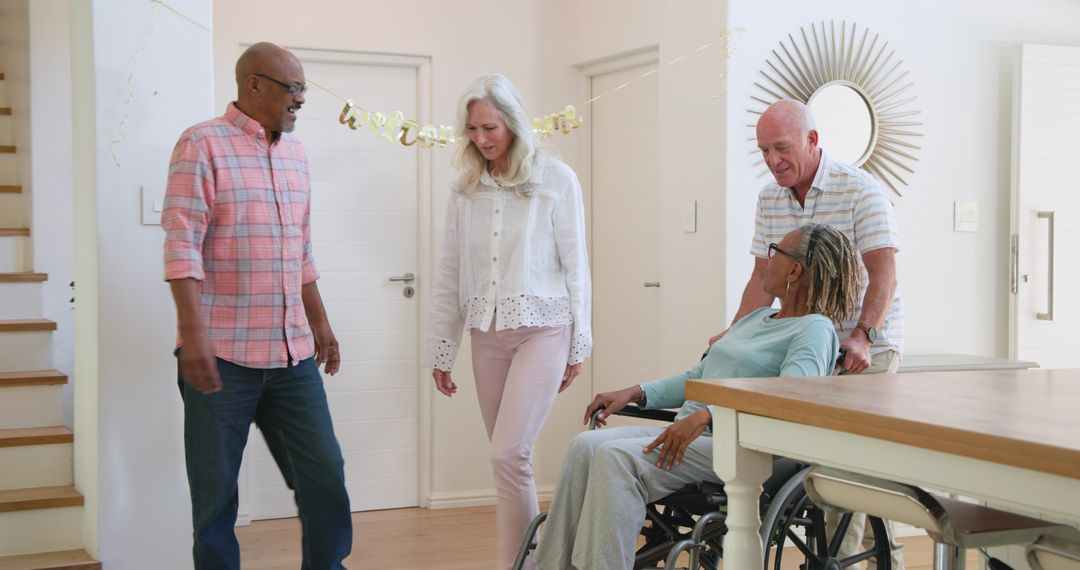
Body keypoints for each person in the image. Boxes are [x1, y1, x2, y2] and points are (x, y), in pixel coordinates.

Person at [532, 224, 861, 570]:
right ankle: (551, 565)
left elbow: (786, 400)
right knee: (584, 446)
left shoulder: (814, 330)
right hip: (693, 435)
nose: (768, 260)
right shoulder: (757, 319)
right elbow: (697, 377)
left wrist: (709, 415)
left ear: (795, 269)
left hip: (741, 448)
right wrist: (636, 392)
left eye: (775, 252)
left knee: (616, 459)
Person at [162, 42, 352, 569]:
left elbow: (302, 251)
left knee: (325, 482)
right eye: (293, 89)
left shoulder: (295, 154)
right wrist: (193, 335)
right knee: (216, 499)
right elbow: (181, 246)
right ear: (253, 84)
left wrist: (321, 324)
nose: (301, 100)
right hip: (220, 358)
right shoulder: (201, 144)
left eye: (303, 90)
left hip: (292, 358)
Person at [709, 98, 905, 568]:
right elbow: (762, 281)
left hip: (862, 348)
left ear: (812, 140)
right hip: (804, 342)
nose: (772, 160)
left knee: (850, 469)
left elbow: (885, 276)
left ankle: (853, 559)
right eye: (763, 151)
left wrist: (862, 336)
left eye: (781, 147)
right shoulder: (769, 199)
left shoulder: (860, 191)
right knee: (824, 464)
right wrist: (736, 334)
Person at [422, 73, 591, 570]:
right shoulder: (465, 189)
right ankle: (530, 562)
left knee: (507, 455)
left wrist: (580, 342)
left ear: (513, 123)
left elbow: (576, 266)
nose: (481, 139)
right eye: (472, 129)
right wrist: (440, 348)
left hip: (543, 329)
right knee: (509, 463)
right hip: (486, 336)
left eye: (490, 127)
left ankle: (519, 566)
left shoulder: (556, 179)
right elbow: (449, 273)